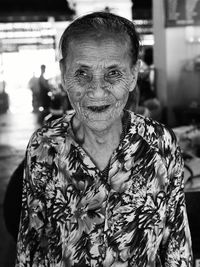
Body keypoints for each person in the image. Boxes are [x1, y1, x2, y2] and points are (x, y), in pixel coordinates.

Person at [15, 12, 193, 266]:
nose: (97, 90)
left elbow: (176, 244)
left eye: (113, 73)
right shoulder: (44, 145)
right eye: (82, 73)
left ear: (133, 74)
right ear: (64, 72)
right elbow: (30, 242)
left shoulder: (160, 143)